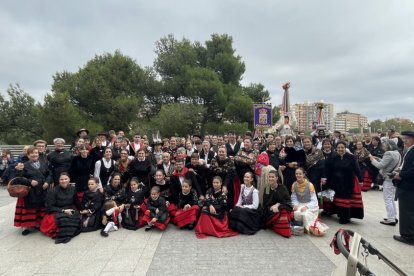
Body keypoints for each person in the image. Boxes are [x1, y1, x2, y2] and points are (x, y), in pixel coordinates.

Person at [14, 146, 51, 235]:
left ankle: (38, 224)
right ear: (28, 154)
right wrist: (29, 181)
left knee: (40, 207)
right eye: (32, 153)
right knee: (30, 209)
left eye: (36, 153)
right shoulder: (23, 165)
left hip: (42, 189)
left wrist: (47, 182)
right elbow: (18, 179)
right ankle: (27, 226)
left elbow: (49, 174)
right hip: (30, 191)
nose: (35, 155)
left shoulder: (43, 163)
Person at [325, 141, 363, 224]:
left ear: (345, 148)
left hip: (348, 181)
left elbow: (357, 169)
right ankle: (340, 214)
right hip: (337, 182)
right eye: (338, 148)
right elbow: (329, 169)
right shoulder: (334, 157)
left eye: (342, 147)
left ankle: (345, 217)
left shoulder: (351, 157)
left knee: (345, 200)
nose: (340, 149)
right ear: (336, 148)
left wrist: (360, 180)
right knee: (338, 199)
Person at [40, 172, 81, 244]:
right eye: (61, 179)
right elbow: (49, 207)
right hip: (57, 210)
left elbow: (76, 201)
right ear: (58, 180)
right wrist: (63, 210)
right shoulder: (52, 191)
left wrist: (83, 209)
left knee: (75, 216)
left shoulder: (73, 189)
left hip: (69, 208)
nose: (64, 181)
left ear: (69, 180)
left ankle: (68, 233)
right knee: (62, 219)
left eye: (66, 179)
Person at [369, 139, 401, 226]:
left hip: (387, 178)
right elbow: (387, 163)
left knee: (388, 199)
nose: (383, 147)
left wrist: (372, 159)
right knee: (390, 199)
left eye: (385, 145)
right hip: (392, 177)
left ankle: (391, 219)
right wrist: (378, 158)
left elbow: (380, 165)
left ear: (389, 146)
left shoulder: (389, 153)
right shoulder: (396, 153)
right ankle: (393, 217)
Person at [392, 130, 414, 245]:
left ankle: (408, 236)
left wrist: (400, 175)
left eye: (407, 138)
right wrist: (400, 170)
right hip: (408, 186)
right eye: (404, 138)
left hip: (409, 187)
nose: (404, 141)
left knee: (407, 212)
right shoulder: (410, 150)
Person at [263, 170, 293, 237]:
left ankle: (284, 230)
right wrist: (271, 207)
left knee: (283, 211)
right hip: (270, 210)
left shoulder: (282, 188)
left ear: (277, 178)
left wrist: (278, 204)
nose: (270, 178)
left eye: (272, 177)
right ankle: (276, 226)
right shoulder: (267, 189)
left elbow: (288, 201)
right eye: (269, 177)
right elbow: (265, 204)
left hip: (281, 207)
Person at [290, 168, 319, 233]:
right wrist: (295, 205)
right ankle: (300, 227)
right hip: (299, 204)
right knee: (296, 212)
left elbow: (314, 200)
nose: (298, 175)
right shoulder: (294, 185)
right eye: (296, 174)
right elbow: (293, 198)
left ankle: (307, 228)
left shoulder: (310, 185)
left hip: (309, 204)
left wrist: (306, 207)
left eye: (300, 174)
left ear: (303, 174)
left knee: (305, 214)